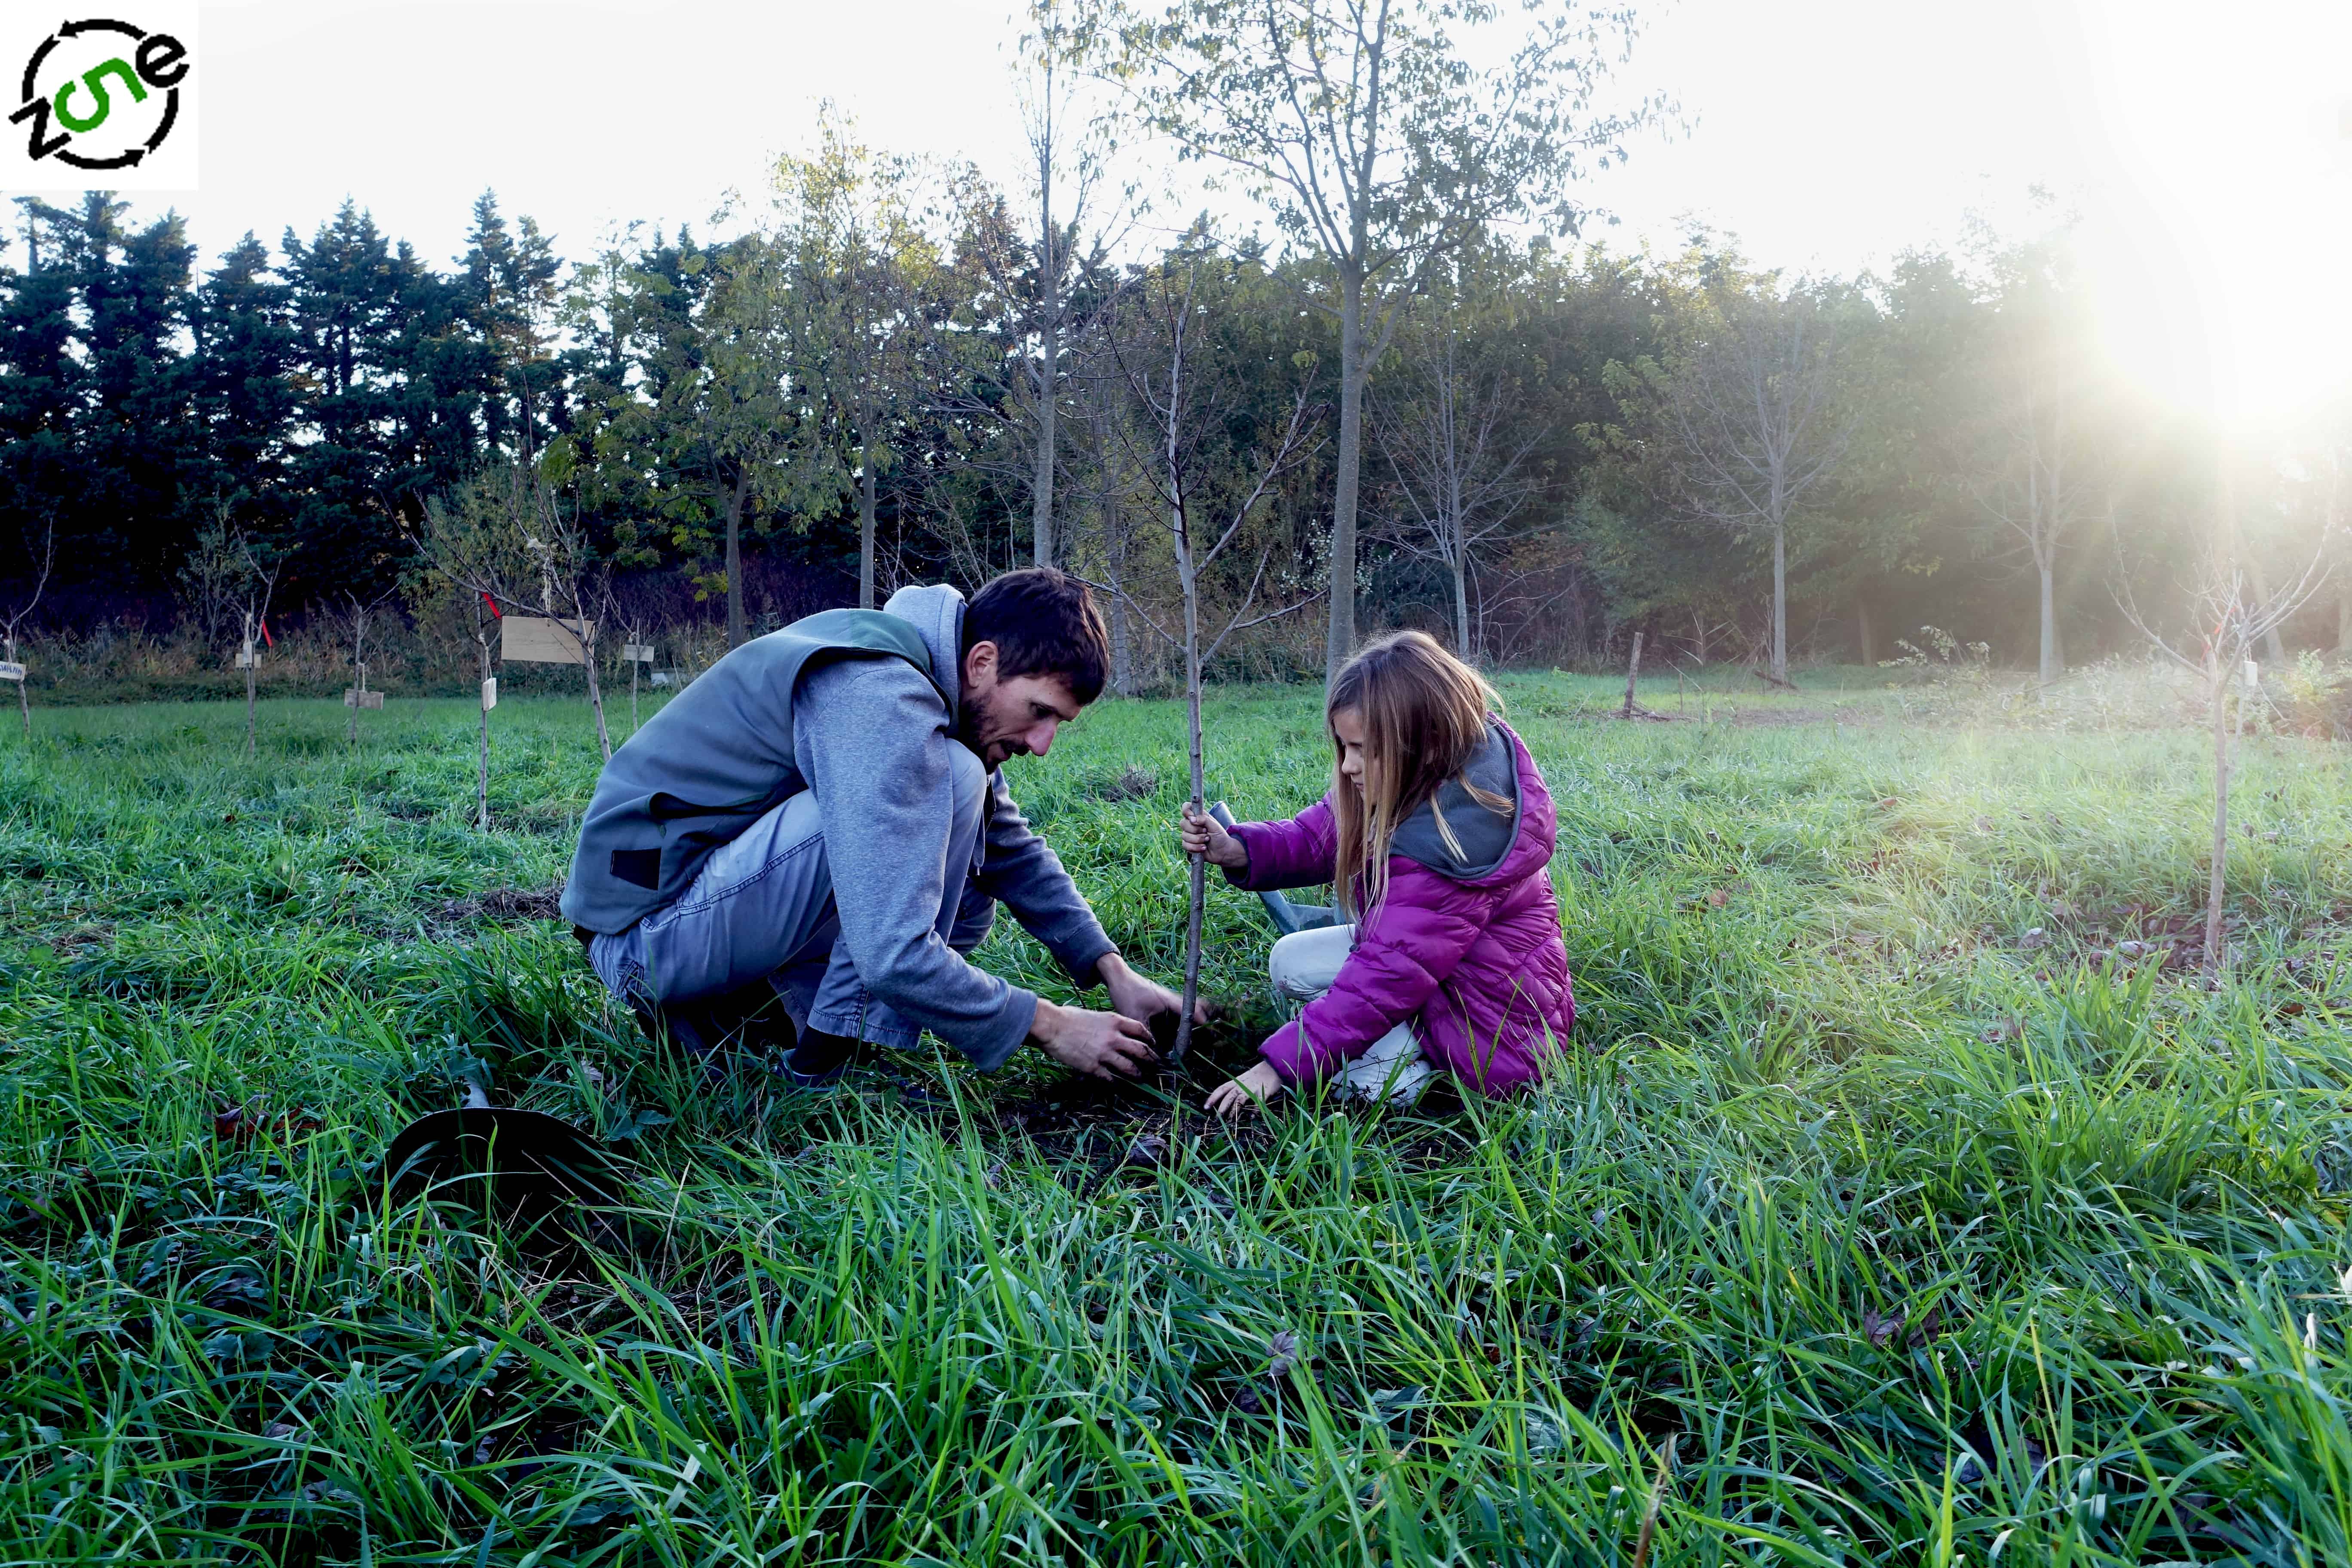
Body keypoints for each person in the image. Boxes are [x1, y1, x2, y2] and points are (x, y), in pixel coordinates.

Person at [563, 568, 1196, 1085]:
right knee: (950, 786)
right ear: (981, 662)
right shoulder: (880, 694)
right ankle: (823, 1059)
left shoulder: (933, 685)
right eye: (1038, 712)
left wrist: (1114, 972)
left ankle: (755, 1017)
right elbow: (892, 956)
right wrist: (1051, 1025)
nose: (1043, 742)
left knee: (963, 839)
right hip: (642, 940)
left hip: (704, 906)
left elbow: (1008, 846)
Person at [1179, 631, 1573, 1115]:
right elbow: (1320, 834)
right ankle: (1372, 1032)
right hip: (1437, 979)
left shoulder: (1455, 846)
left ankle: (1420, 1066)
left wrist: (1276, 1068)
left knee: (1364, 1081)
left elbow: (1384, 977)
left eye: (1362, 749)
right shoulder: (1418, 776)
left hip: (1489, 1035)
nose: (1347, 766)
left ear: (1423, 742)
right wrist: (1239, 849)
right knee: (1289, 961)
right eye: (1344, 747)